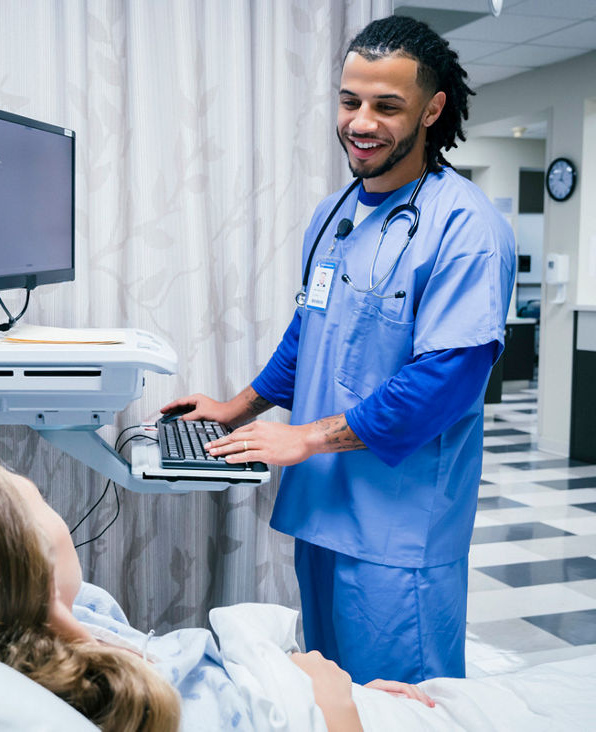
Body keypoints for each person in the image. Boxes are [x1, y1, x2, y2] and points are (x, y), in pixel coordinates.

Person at [163, 16, 516, 685]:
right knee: (336, 698)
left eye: (388, 106)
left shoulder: (465, 227)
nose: (361, 122)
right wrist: (238, 407)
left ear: (433, 111)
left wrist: (305, 440)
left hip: (400, 533)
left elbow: (449, 379)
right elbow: (312, 332)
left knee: (402, 707)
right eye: (350, 101)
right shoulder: (338, 214)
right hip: (327, 515)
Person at [0, 447, 434, 732]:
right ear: (36, 558)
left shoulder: (82, 622)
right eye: (34, 496)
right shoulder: (127, 707)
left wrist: (346, 690)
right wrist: (337, 706)